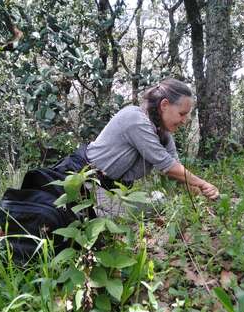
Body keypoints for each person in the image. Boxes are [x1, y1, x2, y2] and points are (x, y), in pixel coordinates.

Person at [83, 78, 219, 212]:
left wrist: (202, 195)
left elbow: (177, 172)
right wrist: (202, 183)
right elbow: (169, 167)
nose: (184, 121)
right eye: (182, 114)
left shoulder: (163, 133)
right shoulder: (136, 119)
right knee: (157, 206)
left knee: (159, 203)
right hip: (86, 184)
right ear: (164, 105)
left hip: (111, 190)